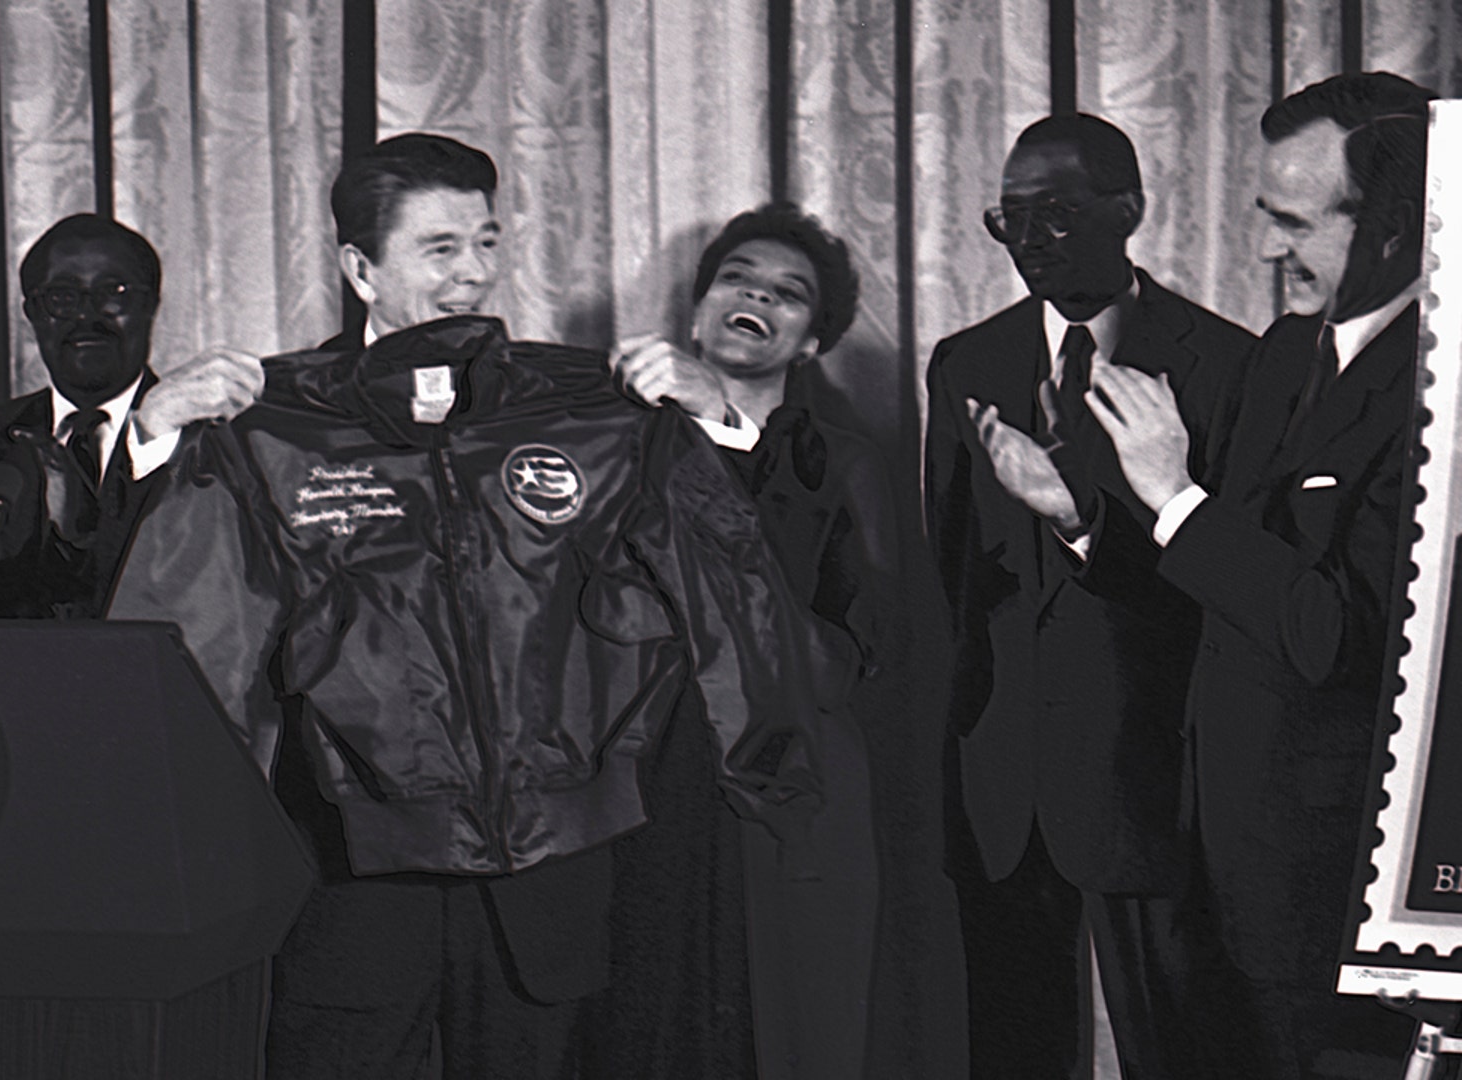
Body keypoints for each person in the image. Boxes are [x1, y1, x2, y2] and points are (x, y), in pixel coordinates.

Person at [111, 132, 829, 1079]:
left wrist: (774, 773)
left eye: (487, 242)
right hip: (352, 873)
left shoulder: (590, 411)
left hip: (552, 869)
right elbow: (188, 640)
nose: (474, 274)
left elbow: (730, 583)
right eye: (441, 248)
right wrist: (155, 436)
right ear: (360, 270)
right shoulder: (266, 430)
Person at [1089, 72, 1436, 1078]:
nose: (1268, 249)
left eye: (1295, 222)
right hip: (1219, 847)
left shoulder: (1441, 386)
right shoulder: (1285, 352)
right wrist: (1080, 520)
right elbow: (1223, 570)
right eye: (1265, 215)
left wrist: (1174, 493)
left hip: (1332, 881)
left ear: (1394, 227)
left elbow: (1336, 634)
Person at [923, 114, 1255, 1077]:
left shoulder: (1226, 363)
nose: (1028, 240)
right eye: (1009, 218)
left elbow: (1232, 587)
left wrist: (1080, 521)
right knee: (1011, 1052)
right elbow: (955, 571)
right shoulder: (966, 362)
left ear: (1130, 211)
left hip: (1161, 782)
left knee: (1184, 1052)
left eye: (1057, 214)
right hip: (1003, 780)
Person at [605, 204, 891, 1079]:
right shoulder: (614, 443)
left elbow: (850, 653)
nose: (757, 297)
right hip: (643, 788)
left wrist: (719, 423)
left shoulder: (844, 465)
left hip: (784, 795)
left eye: (788, 293)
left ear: (812, 343)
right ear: (696, 312)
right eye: (737, 278)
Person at [0, 213, 262, 618]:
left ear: (151, 305)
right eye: (62, 298)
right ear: (32, 314)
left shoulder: (222, 439)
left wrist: (151, 439)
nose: (87, 317)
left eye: (114, 293)